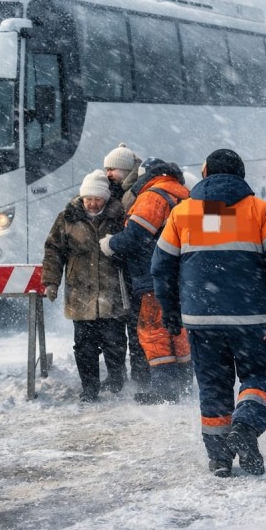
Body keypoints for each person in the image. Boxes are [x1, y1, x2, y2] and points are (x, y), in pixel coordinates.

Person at [152, 149, 266, 478]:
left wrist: (169, 307)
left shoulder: (184, 213)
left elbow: (161, 265)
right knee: (259, 376)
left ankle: (219, 457)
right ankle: (246, 427)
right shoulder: (259, 210)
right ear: (240, 175)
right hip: (249, 318)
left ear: (206, 172)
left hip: (201, 320)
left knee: (212, 385)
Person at [100, 158, 191, 404]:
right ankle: (183, 384)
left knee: (153, 330)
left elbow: (137, 235)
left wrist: (110, 243)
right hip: (184, 277)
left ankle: (163, 389)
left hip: (155, 277)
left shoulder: (154, 196)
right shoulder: (185, 195)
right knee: (179, 330)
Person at [41, 170, 129, 402]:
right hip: (80, 292)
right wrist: (51, 281)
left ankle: (117, 380)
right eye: (88, 198)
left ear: (106, 198)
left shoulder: (118, 217)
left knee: (115, 342)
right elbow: (53, 250)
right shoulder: (67, 218)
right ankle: (89, 388)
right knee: (84, 346)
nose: (92, 203)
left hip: (112, 291)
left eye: (97, 198)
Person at [101, 142, 148, 389]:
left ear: (124, 168)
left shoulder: (135, 190)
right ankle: (133, 375)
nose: (108, 174)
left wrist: (117, 244)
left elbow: (136, 231)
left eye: (112, 169)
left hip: (133, 266)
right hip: (127, 267)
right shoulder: (122, 188)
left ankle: (140, 376)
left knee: (136, 324)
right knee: (125, 323)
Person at [103, 142, 142, 208]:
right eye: (107, 170)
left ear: (126, 169)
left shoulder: (140, 190)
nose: (108, 174)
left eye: (112, 169)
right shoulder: (105, 188)